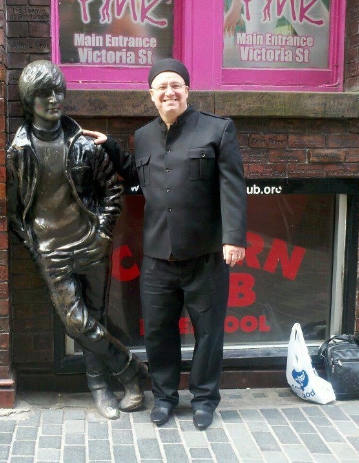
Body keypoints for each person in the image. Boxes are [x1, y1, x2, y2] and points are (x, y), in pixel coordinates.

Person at [85, 58, 247, 430]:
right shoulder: (143, 136)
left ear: (187, 90)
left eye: (176, 85)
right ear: (151, 95)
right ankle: (164, 398)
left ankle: (204, 400)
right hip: (158, 257)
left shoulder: (218, 129)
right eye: (162, 87)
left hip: (206, 255)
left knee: (208, 334)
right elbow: (136, 173)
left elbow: (233, 186)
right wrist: (110, 146)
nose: (169, 92)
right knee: (159, 333)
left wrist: (233, 238)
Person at [5, 60, 148, 420]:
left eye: (58, 91)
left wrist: (103, 234)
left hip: (91, 245)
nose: (54, 99)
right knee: (76, 323)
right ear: (29, 101)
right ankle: (131, 369)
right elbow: (13, 210)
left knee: (94, 319)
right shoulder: (19, 152)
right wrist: (35, 247)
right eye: (44, 94)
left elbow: (112, 191)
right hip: (51, 250)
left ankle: (100, 388)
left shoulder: (84, 146)